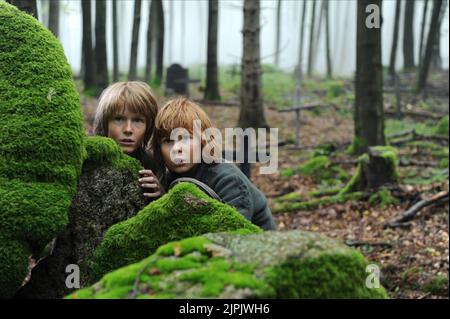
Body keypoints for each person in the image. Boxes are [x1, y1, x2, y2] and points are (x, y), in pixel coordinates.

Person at [153, 97, 277, 231]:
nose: (177, 148)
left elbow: (235, 233)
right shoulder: (169, 177)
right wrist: (163, 199)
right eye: (168, 141)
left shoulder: (228, 180)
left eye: (186, 138)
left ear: (203, 140)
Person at [93, 81, 165, 200]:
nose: (128, 129)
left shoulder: (153, 165)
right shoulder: (89, 161)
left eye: (137, 120)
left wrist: (161, 195)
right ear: (105, 123)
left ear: (148, 126)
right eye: (119, 119)